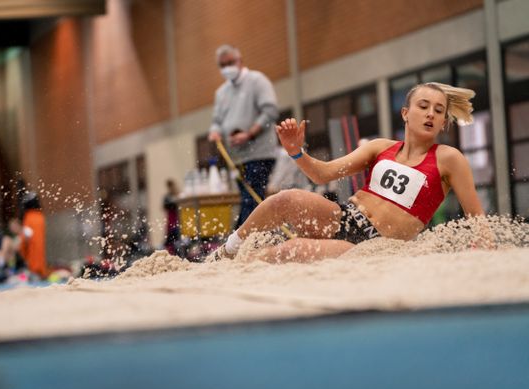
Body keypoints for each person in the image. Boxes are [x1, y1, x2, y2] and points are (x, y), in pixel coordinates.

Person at [207, 82, 486, 263]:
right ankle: (226, 252)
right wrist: (295, 151)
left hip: (375, 246)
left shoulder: (449, 159)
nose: (430, 115)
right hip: (342, 217)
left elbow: (477, 218)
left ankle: (242, 265)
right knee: (286, 199)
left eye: (439, 111)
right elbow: (322, 174)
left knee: (291, 249)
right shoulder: (380, 147)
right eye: (423, 107)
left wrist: (485, 247)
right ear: (404, 113)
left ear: (444, 123)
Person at [208, 44, 279, 228]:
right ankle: (249, 237)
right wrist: (215, 130)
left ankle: (242, 238)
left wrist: (249, 134)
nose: (227, 68)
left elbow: (270, 111)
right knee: (248, 198)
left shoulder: (257, 81)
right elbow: (216, 120)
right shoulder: (221, 93)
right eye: (222, 65)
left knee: (251, 198)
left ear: (240, 61)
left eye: (230, 62)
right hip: (237, 158)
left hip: (259, 154)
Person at [10, 192, 49, 278]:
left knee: (21, 278)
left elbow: (27, 236)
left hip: (32, 265)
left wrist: (19, 244)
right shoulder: (40, 217)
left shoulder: (29, 217)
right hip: (41, 264)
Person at [163, 179, 180, 255]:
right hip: (171, 218)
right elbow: (164, 206)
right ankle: (171, 252)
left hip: (176, 218)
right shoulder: (168, 197)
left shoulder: (177, 195)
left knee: (175, 236)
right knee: (170, 238)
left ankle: (175, 252)